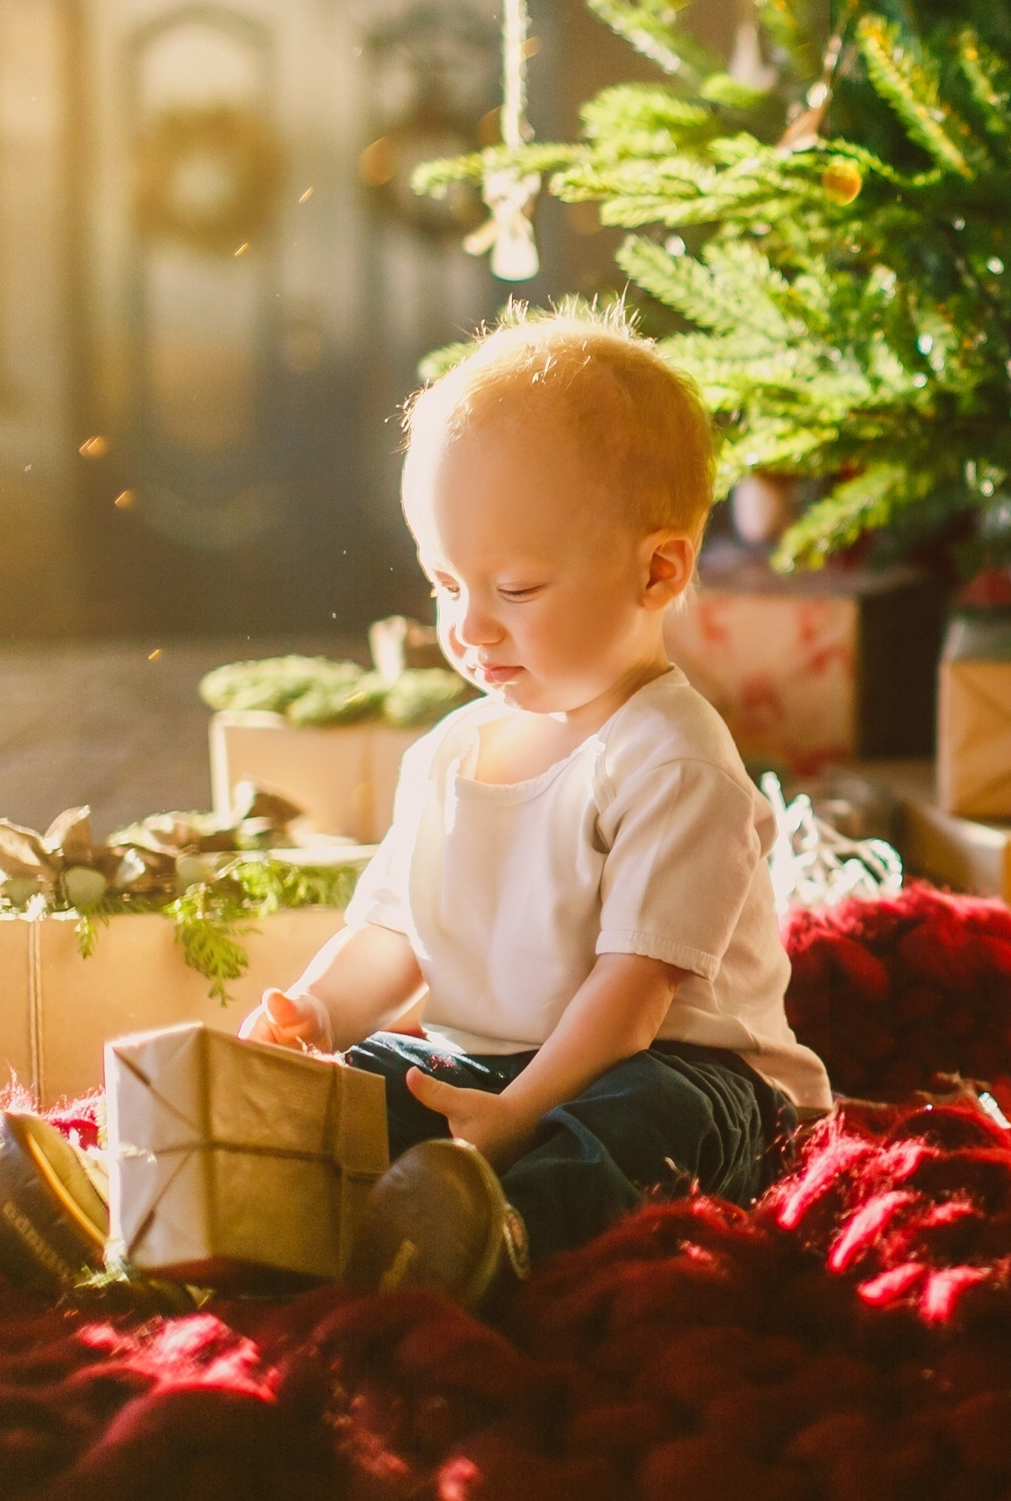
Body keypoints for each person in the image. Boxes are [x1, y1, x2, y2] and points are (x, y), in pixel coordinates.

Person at [241, 300, 831, 1303]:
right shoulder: (448, 756)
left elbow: (631, 1000)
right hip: (489, 1068)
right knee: (361, 1084)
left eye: (514, 588)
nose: (468, 626)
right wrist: (316, 1013)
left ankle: (499, 1242)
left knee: (641, 1118)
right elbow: (393, 936)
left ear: (656, 571)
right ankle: (220, 1219)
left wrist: (523, 1110)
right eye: (443, 583)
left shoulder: (673, 762)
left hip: (693, 1077)